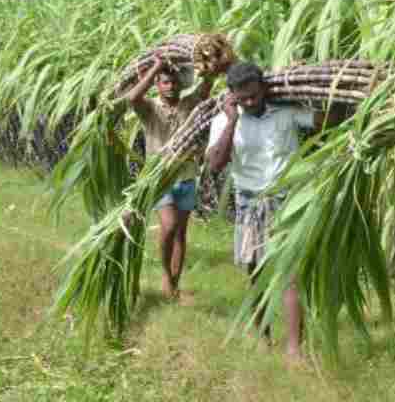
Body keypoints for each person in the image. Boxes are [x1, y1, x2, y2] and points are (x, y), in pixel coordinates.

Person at [206, 61, 346, 360]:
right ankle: (262, 334)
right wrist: (232, 121)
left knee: (291, 274)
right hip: (248, 203)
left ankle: (294, 349)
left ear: (264, 88)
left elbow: (330, 120)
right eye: (242, 97)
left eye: (254, 95)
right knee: (255, 273)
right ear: (231, 95)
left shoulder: (287, 112)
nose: (250, 102)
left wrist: (328, 88)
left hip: (286, 202)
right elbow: (215, 164)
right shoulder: (223, 121)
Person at [125, 55, 217, 301]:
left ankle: (175, 283)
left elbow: (207, 84)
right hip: (160, 179)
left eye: (174, 82)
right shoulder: (151, 108)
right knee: (169, 225)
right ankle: (166, 273)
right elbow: (132, 98)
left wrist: (211, 61)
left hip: (186, 176)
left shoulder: (189, 103)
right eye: (164, 82)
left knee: (181, 233)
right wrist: (155, 65)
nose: (170, 86)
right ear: (157, 84)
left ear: (181, 83)